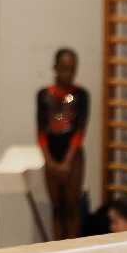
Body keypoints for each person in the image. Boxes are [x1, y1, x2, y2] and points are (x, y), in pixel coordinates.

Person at [36, 48, 90, 239]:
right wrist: (49, 160)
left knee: (71, 207)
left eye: (72, 69)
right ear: (55, 67)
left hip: (73, 156)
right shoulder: (44, 94)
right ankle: (57, 247)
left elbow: (80, 130)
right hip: (51, 154)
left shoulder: (81, 95)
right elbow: (40, 131)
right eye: (65, 68)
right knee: (57, 207)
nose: (69, 73)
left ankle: (73, 248)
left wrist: (67, 161)